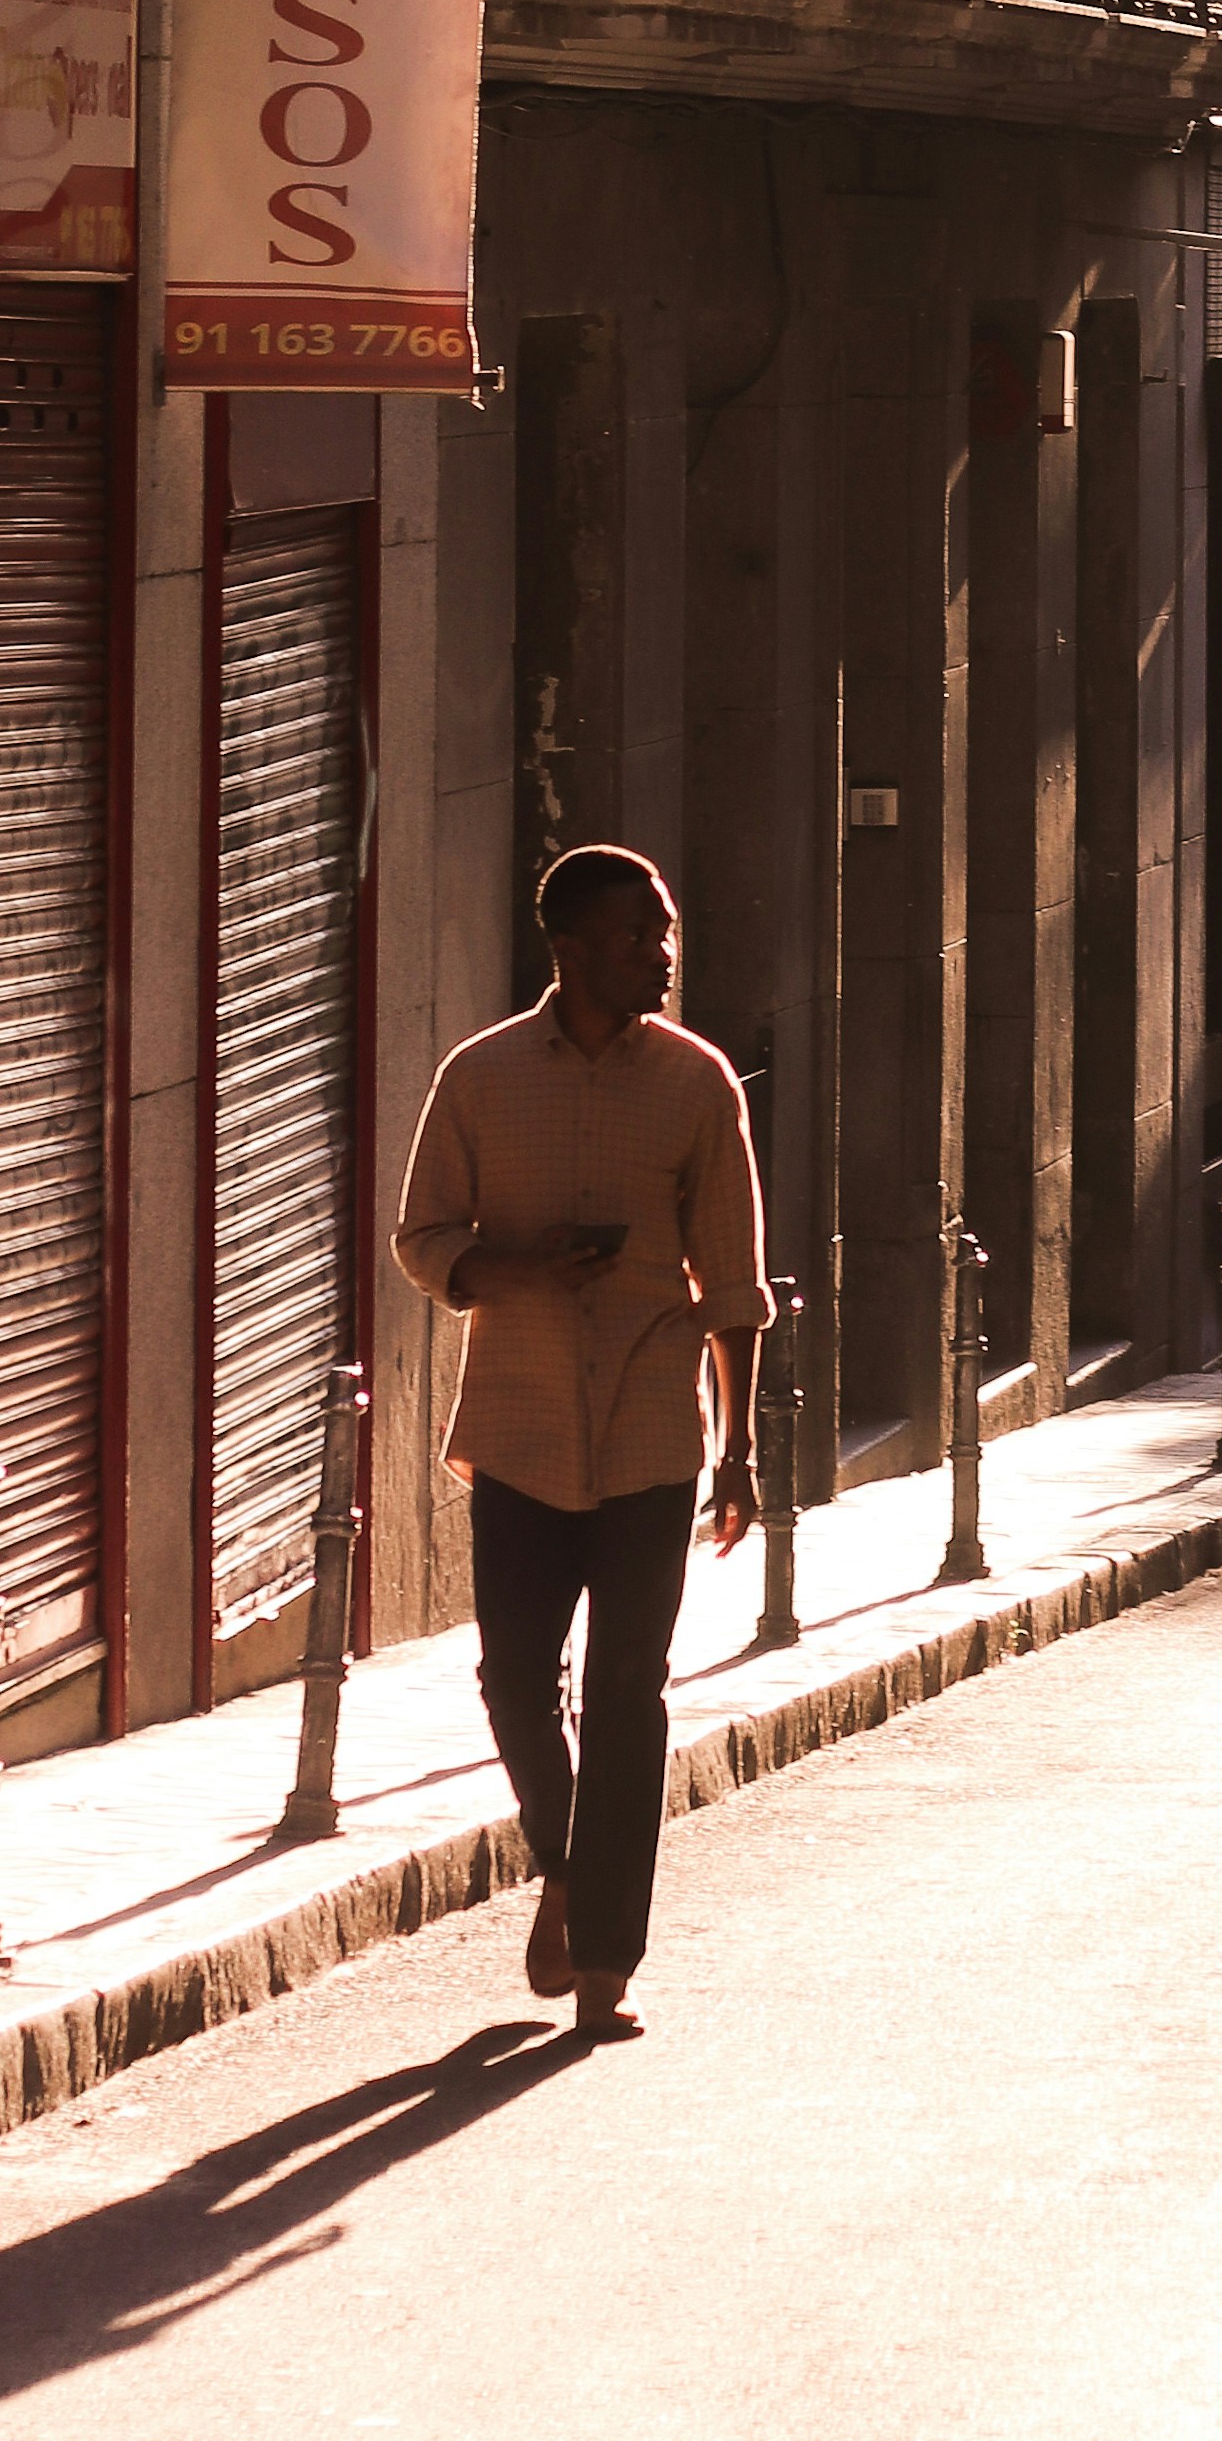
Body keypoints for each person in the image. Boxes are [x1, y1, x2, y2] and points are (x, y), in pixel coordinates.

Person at [392, 843, 767, 2045]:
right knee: (513, 1677)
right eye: (631, 936)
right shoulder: (481, 1076)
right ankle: (564, 1863)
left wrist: (740, 1446)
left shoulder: (699, 1083)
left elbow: (736, 1285)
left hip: (655, 1427)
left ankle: (606, 1964)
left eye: (663, 933)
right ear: (565, 946)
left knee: (628, 1697)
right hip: (517, 1421)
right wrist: (517, 1265)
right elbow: (422, 1235)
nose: (657, 954)